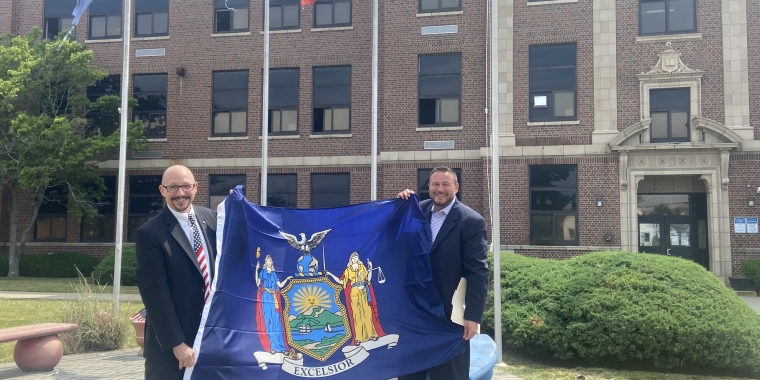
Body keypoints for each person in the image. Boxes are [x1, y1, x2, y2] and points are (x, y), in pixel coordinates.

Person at [397, 166, 489, 380]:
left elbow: (478, 272)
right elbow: (394, 241)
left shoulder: (471, 221)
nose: (440, 189)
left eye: (446, 184)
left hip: (450, 317)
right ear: (428, 186)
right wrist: (400, 205)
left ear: (456, 187)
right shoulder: (415, 212)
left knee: (448, 376)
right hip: (415, 315)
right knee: (411, 375)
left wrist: (473, 316)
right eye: (435, 184)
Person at [136, 165, 217, 380]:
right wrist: (176, 343)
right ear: (162, 191)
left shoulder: (211, 220)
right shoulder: (150, 234)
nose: (180, 194)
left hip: (210, 341)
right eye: (173, 188)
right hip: (174, 350)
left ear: (196, 187)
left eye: (185, 186)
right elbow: (155, 295)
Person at [326, 251, 386, 345]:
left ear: (358, 258)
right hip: (354, 293)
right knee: (357, 315)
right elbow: (341, 282)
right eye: (353, 258)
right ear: (351, 259)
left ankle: (371, 334)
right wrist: (330, 274)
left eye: (356, 257)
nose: (355, 259)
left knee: (367, 312)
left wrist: (370, 268)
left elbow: (368, 279)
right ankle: (359, 338)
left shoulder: (362, 267)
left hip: (363, 292)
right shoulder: (348, 270)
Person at [255, 254, 291, 354]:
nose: (269, 263)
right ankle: (272, 347)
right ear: (266, 263)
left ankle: (281, 347)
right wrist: (256, 270)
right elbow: (258, 283)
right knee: (269, 322)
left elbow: (280, 285)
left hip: (274, 297)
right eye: (268, 261)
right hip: (266, 297)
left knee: (277, 322)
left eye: (271, 261)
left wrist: (287, 279)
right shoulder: (263, 272)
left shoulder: (274, 274)